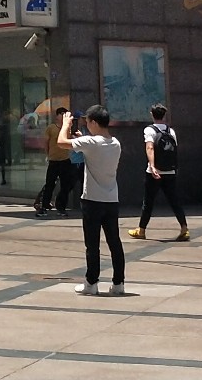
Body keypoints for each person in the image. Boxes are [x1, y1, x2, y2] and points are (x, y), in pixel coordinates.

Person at [62, 104, 125, 296]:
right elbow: (95, 148)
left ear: (95, 122)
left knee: (92, 244)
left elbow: (61, 142)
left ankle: (91, 283)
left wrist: (65, 124)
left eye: (88, 122)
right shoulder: (115, 143)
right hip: (111, 199)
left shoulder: (91, 142)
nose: (86, 125)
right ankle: (118, 283)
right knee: (114, 242)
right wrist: (81, 140)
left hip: (92, 200)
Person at [129, 104, 188, 242]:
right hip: (170, 170)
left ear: (152, 114)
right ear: (164, 115)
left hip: (154, 172)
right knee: (174, 201)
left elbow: (150, 148)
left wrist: (153, 166)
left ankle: (141, 230)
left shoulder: (150, 130)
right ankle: (184, 228)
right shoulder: (171, 131)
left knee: (148, 201)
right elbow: (174, 151)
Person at [35, 107, 75, 216]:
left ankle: (61, 207)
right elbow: (46, 143)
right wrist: (48, 155)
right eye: (61, 114)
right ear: (57, 116)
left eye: (65, 114)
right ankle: (44, 206)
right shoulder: (51, 128)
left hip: (65, 160)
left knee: (65, 185)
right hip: (53, 161)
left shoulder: (68, 128)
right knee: (49, 184)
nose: (63, 116)